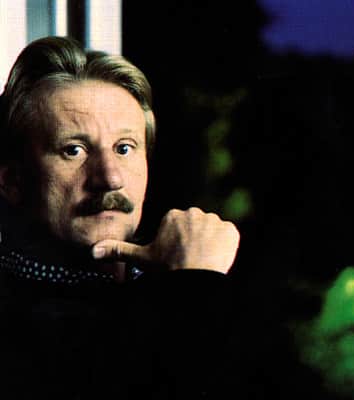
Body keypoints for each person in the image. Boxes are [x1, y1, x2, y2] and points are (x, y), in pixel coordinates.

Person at [0, 36, 243, 399]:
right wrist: (196, 287)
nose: (110, 177)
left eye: (124, 148)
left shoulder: (169, 286)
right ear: (12, 181)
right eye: (74, 150)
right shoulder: (16, 328)